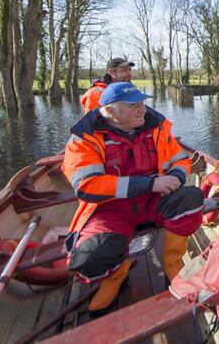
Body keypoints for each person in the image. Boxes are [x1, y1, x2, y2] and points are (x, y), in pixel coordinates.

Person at [62, 82, 203, 317]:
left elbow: (180, 158)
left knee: (190, 197)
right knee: (90, 258)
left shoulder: (157, 129)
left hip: (152, 201)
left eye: (142, 103)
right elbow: (87, 186)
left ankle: (173, 266)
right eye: (133, 105)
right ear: (109, 111)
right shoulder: (83, 140)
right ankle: (118, 275)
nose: (143, 110)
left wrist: (177, 175)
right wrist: (149, 183)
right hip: (109, 210)